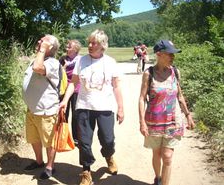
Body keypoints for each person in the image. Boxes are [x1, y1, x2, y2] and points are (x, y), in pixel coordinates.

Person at [60, 29, 124, 185]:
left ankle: (109, 156)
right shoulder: (81, 61)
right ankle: (86, 171)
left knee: (108, 140)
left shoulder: (110, 62)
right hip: (84, 106)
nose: (89, 45)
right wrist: (65, 100)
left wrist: (121, 108)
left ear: (102, 45)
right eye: (89, 42)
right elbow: (73, 83)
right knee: (84, 142)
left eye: (93, 43)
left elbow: (116, 87)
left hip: (105, 108)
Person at [138, 40, 195, 185]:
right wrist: (142, 122)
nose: (172, 57)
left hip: (173, 121)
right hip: (154, 122)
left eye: (173, 54)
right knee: (157, 153)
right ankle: (158, 178)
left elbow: (180, 96)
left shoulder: (175, 72)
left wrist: (188, 115)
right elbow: (141, 99)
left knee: (168, 156)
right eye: (169, 54)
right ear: (159, 54)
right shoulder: (148, 73)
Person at [22, 34, 61, 180]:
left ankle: (50, 167)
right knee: (34, 138)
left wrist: (43, 49)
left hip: (45, 110)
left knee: (48, 141)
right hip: (32, 109)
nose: (39, 41)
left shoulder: (52, 62)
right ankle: (39, 162)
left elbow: (38, 68)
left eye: (43, 41)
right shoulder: (37, 59)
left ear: (50, 47)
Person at [59, 39, 82, 145]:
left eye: (69, 47)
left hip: (76, 89)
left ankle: (76, 138)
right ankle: (63, 137)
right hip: (64, 89)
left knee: (76, 115)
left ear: (76, 49)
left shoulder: (81, 60)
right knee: (64, 113)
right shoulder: (62, 59)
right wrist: (63, 68)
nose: (67, 48)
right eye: (67, 46)